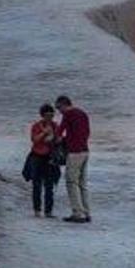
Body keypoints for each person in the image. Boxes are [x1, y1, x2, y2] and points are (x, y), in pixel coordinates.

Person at [55, 93, 91, 223]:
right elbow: (87, 132)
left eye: (59, 108)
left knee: (71, 182)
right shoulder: (83, 113)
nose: (59, 111)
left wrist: (59, 140)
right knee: (82, 183)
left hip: (74, 152)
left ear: (64, 104)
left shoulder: (68, 115)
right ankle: (86, 212)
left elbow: (59, 133)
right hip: (85, 151)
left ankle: (77, 213)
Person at [23, 102, 62, 218]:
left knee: (50, 185)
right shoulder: (36, 126)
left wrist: (54, 137)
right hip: (37, 156)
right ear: (42, 115)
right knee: (36, 184)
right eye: (47, 115)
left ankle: (48, 212)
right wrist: (45, 132)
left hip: (50, 158)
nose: (50, 117)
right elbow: (34, 140)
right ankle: (37, 210)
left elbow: (59, 140)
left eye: (51, 115)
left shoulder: (56, 126)